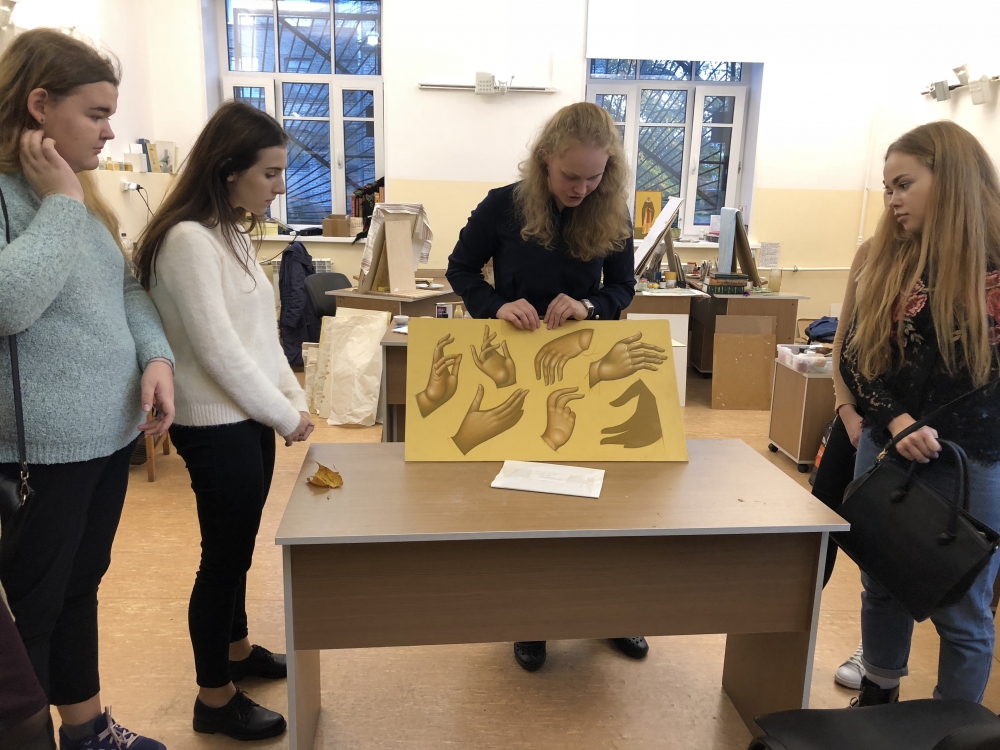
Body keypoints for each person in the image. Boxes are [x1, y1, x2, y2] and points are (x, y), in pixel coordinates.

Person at [0, 29, 174, 750]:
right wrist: (62, 204)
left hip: (107, 434)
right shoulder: (37, 196)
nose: (108, 132)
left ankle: (86, 729)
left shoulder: (77, 192)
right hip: (42, 450)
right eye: (96, 114)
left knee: (79, 589)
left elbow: (124, 289)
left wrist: (156, 356)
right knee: (34, 614)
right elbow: (9, 306)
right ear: (40, 104)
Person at [133, 101, 314, 741]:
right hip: (214, 425)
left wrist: (293, 399)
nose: (280, 185)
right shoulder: (187, 240)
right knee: (223, 559)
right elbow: (217, 351)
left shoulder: (229, 232)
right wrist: (282, 415)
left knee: (238, 549)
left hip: (247, 419)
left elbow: (261, 337)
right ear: (229, 169)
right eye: (270, 172)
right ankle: (213, 700)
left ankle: (236, 653)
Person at [446, 102, 647, 672]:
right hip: (515, 362)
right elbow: (460, 270)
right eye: (570, 176)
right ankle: (530, 618)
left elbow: (623, 287)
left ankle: (610, 612)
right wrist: (495, 304)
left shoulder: (612, 211)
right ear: (544, 161)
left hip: (587, 364)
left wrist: (589, 305)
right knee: (528, 500)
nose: (582, 188)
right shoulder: (503, 205)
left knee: (599, 499)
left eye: (594, 176)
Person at [840, 120, 1000, 706]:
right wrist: (898, 422)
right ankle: (878, 693)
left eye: (904, 184)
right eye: (888, 188)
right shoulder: (889, 256)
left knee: (964, 608)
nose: (892, 200)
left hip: (973, 461)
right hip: (889, 445)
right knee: (881, 581)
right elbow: (856, 355)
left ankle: (953, 732)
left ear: (951, 178)